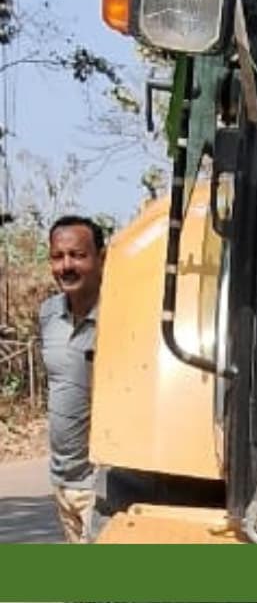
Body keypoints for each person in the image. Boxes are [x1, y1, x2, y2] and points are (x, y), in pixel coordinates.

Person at [38, 215, 106, 543]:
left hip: (103, 484)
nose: (66, 265)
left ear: (101, 258)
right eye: (57, 256)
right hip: (62, 480)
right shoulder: (49, 313)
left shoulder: (121, 313)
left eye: (78, 255)